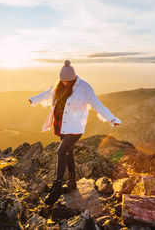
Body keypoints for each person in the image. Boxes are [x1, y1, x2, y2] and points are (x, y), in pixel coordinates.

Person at [28, 60, 121, 205]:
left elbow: (97, 104)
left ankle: (57, 186)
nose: (64, 83)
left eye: (67, 81)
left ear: (73, 77)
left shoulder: (84, 88)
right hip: (62, 126)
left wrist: (112, 118)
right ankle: (72, 183)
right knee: (68, 153)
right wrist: (34, 99)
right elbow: (48, 93)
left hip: (76, 128)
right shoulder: (59, 84)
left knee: (61, 152)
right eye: (62, 80)